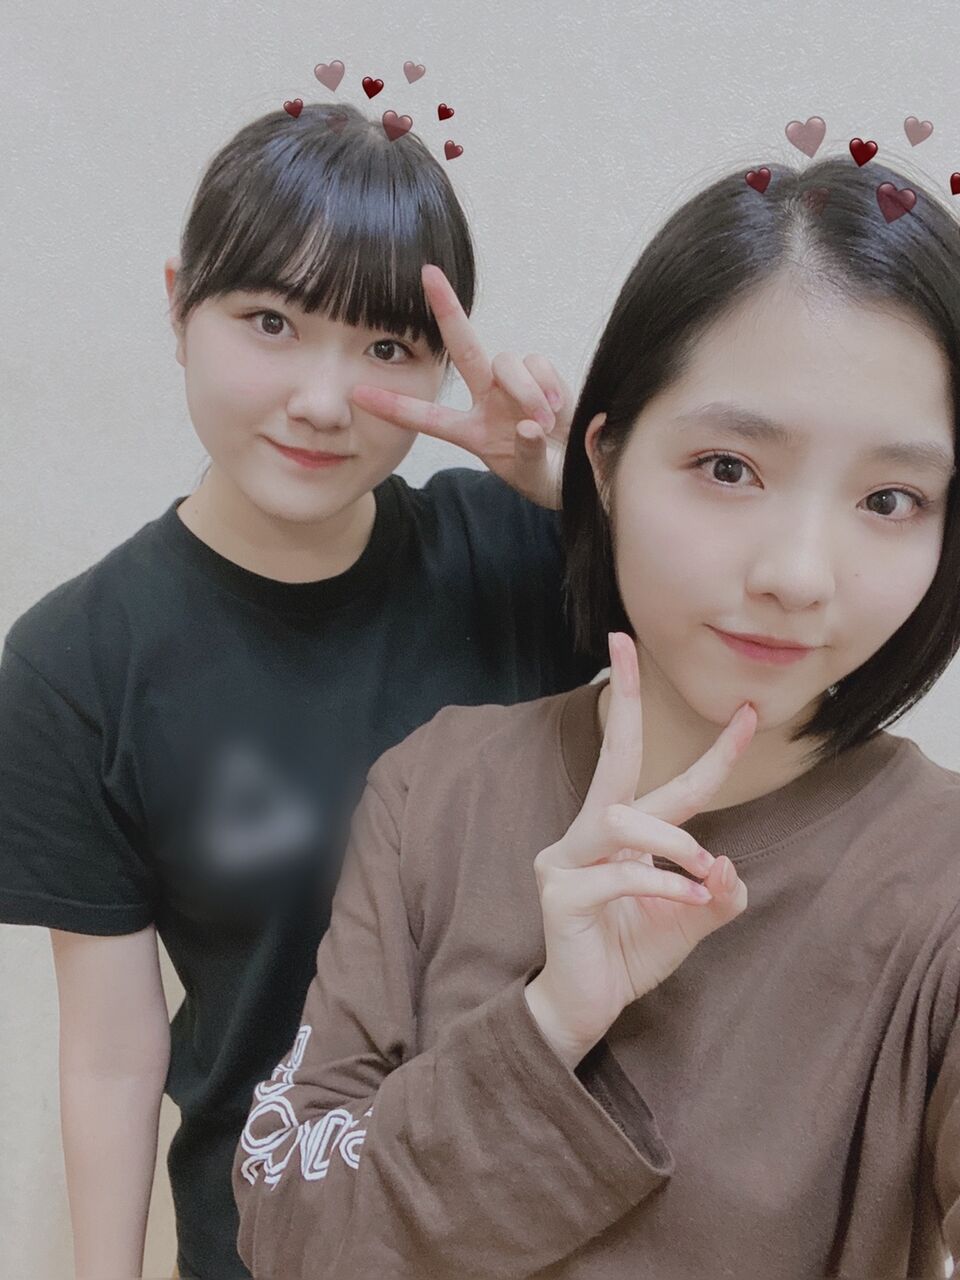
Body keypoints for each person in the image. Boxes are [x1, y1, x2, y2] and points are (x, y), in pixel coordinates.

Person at [232, 152, 960, 1279]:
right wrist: (548, 1022)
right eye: (728, 467)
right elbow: (289, 1233)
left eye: (890, 498)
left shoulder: (939, 877)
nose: (798, 573)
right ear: (605, 461)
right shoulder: (437, 787)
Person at [0, 101, 601, 1280]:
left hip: (549, 1225)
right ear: (179, 306)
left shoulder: (518, 554)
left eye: (387, 348)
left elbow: (766, 647)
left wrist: (569, 490)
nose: (324, 401)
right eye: (271, 322)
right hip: (273, 1239)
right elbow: (113, 1055)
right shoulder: (76, 662)